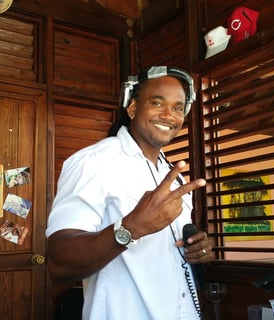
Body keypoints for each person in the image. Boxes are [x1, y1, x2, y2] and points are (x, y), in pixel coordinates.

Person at [46, 66, 213, 320]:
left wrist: (197, 247)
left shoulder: (173, 175)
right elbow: (59, 262)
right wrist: (131, 228)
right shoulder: (93, 162)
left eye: (178, 107)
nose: (169, 115)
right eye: (158, 102)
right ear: (132, 108)